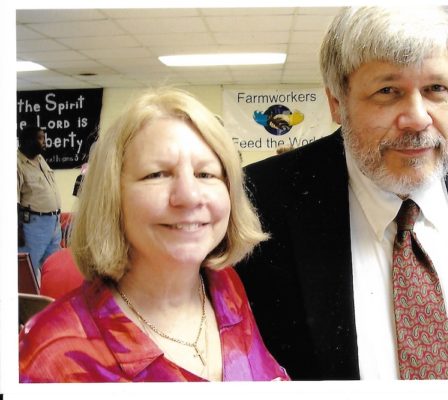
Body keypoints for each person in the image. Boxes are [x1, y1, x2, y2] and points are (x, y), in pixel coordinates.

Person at [236, 6, 448, 380]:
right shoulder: (263, 199)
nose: (417, 118)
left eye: (436, 89)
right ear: (336, 103)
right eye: (387, 91)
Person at [19, 88, 289, 383]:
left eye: (206, 174)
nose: (189, 196)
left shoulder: (226, 286)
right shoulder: (50, 354)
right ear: (111, 197)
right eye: (157, 174)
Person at [17, 125, 62, 279]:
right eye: (40, 138)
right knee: (27, 272)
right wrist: (16, 230)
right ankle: (26, 303)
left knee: (54, 269)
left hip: (54, 223)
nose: (44, 142)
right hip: (33, 226)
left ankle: (52, 302)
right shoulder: (16, 164)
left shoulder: (40, 159)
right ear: (28, 141)